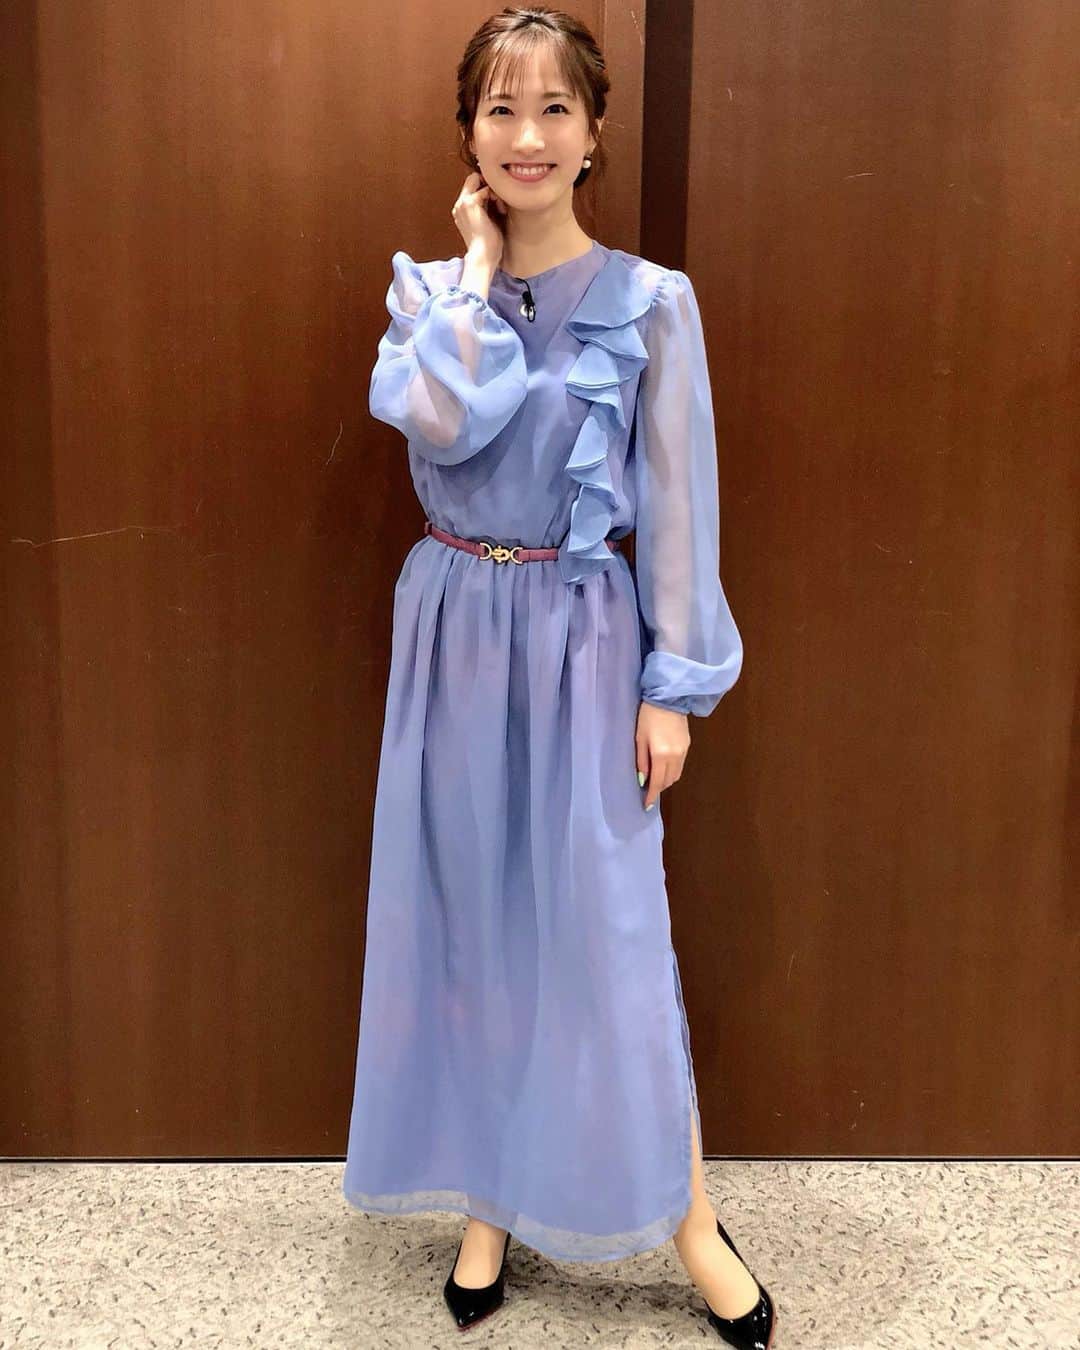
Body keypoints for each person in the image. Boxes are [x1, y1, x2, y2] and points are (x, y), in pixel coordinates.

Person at [342, 7, 775, 1347]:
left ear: (594, 133)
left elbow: (683, 505)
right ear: (468, 133)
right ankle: (491, 1201)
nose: (526, 136)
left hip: (586, 641)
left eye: (553, 109)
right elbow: (439, 423)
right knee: (471, 926)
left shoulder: (653, 303)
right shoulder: (431, 298)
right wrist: (477, 269)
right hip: (452, 636)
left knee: (609, 937)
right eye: (500, 108)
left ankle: (689, 1217)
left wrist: (671, 687)